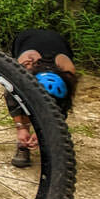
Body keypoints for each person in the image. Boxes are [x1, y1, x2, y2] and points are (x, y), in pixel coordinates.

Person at [8, 28, 78, 168]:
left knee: (52, 115)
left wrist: (44, 133)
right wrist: (21, 128)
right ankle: (23, 145)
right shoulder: (25, 66)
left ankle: (45, 140)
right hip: (25, 39)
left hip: (58, 43)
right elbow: (11, 95)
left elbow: (63, 107)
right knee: (24, 99)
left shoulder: (68, 72)